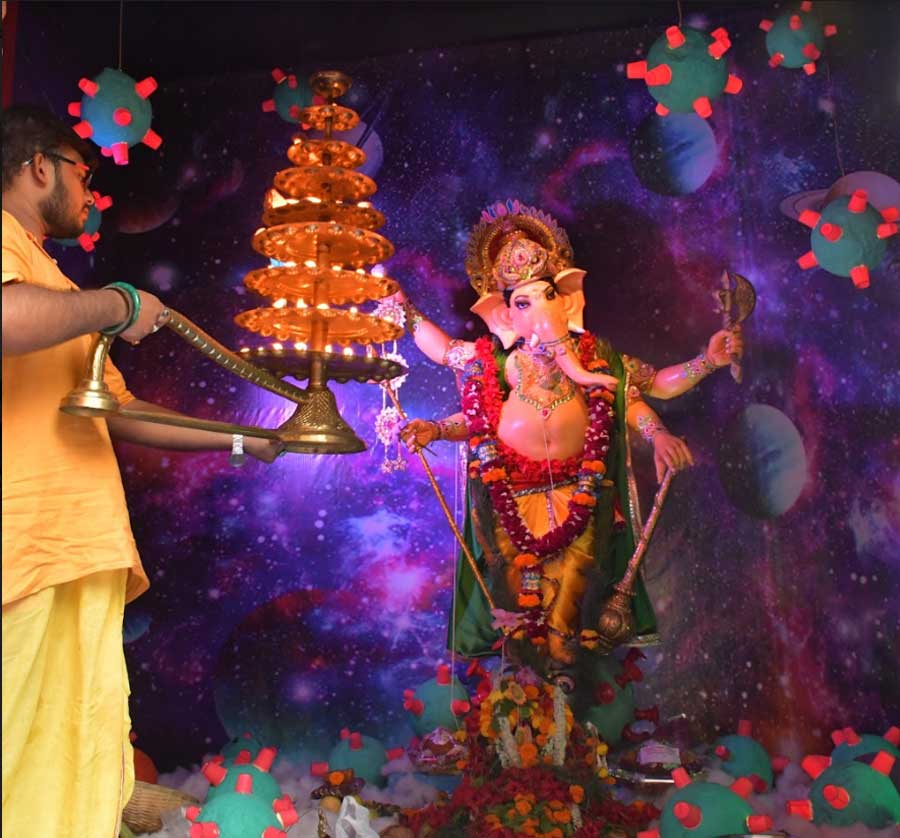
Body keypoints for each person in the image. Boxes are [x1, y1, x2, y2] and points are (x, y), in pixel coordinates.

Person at [1, 104, 281, 837]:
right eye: (83, 175)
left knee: (69, 754)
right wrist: (116, 303)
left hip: (76, 550)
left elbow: (118, 411)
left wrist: (241, 439)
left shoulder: (55, 284)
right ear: (38, 167)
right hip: (21, 545)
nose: (93, 195)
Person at [397, 200, 742, 682]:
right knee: (517, 615)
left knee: (569, 614)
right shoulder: (491, 364)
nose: (537, 313)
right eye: (522, 303)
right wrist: (432, 417)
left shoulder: (594, 357)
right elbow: (468, 407)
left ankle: (568, 718)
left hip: (582, 504)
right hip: (508, 505)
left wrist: (702, 368)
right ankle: (521, 718)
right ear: (503, 315)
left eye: (547, 297)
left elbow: (649, 388)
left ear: (567, 300)